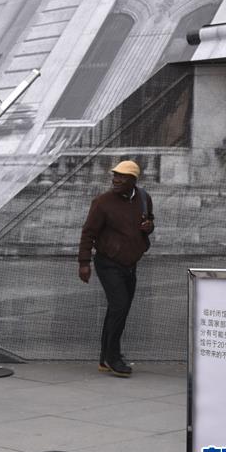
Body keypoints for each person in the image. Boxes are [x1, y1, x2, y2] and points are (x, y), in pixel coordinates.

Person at [78, 160, 154, 378]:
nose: (116, 180)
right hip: (108, 262)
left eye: (121, 177)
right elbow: (88, 233)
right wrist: (84, 263)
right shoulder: (102, 202)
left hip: (130, 264)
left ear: (133, 180)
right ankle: (113, 358)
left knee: (118, 309)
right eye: (115, 176)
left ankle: (105, 358)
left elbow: (149, 221)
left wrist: (149, 227)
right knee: (119, 306)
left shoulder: (143, 198)